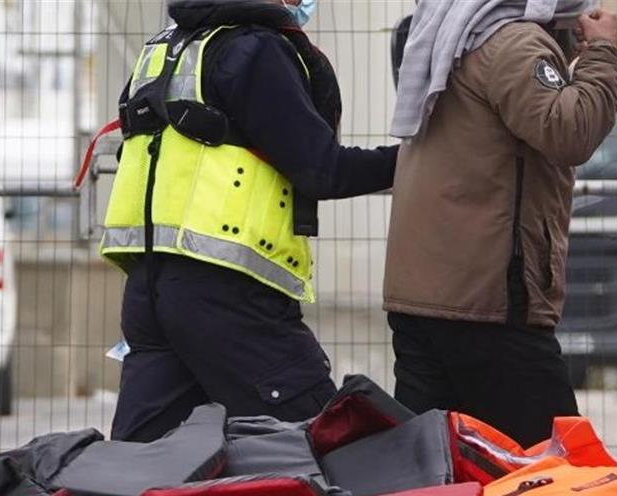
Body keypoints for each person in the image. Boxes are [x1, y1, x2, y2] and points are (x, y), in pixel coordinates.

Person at [100, 0, 397, 442]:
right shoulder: (255, 50)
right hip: (228, 289)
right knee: (324, 441)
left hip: (150, 289)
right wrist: (416, 163)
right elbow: (322, 169)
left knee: (143, 462)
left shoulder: (170, 47)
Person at [383, 0, 617, 446]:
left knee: (435, 469)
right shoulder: (512, 42)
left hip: (423, 297)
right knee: (557, 468)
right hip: (488, 301)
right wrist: (604, 52)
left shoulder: (449, 35)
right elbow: (569, 130)